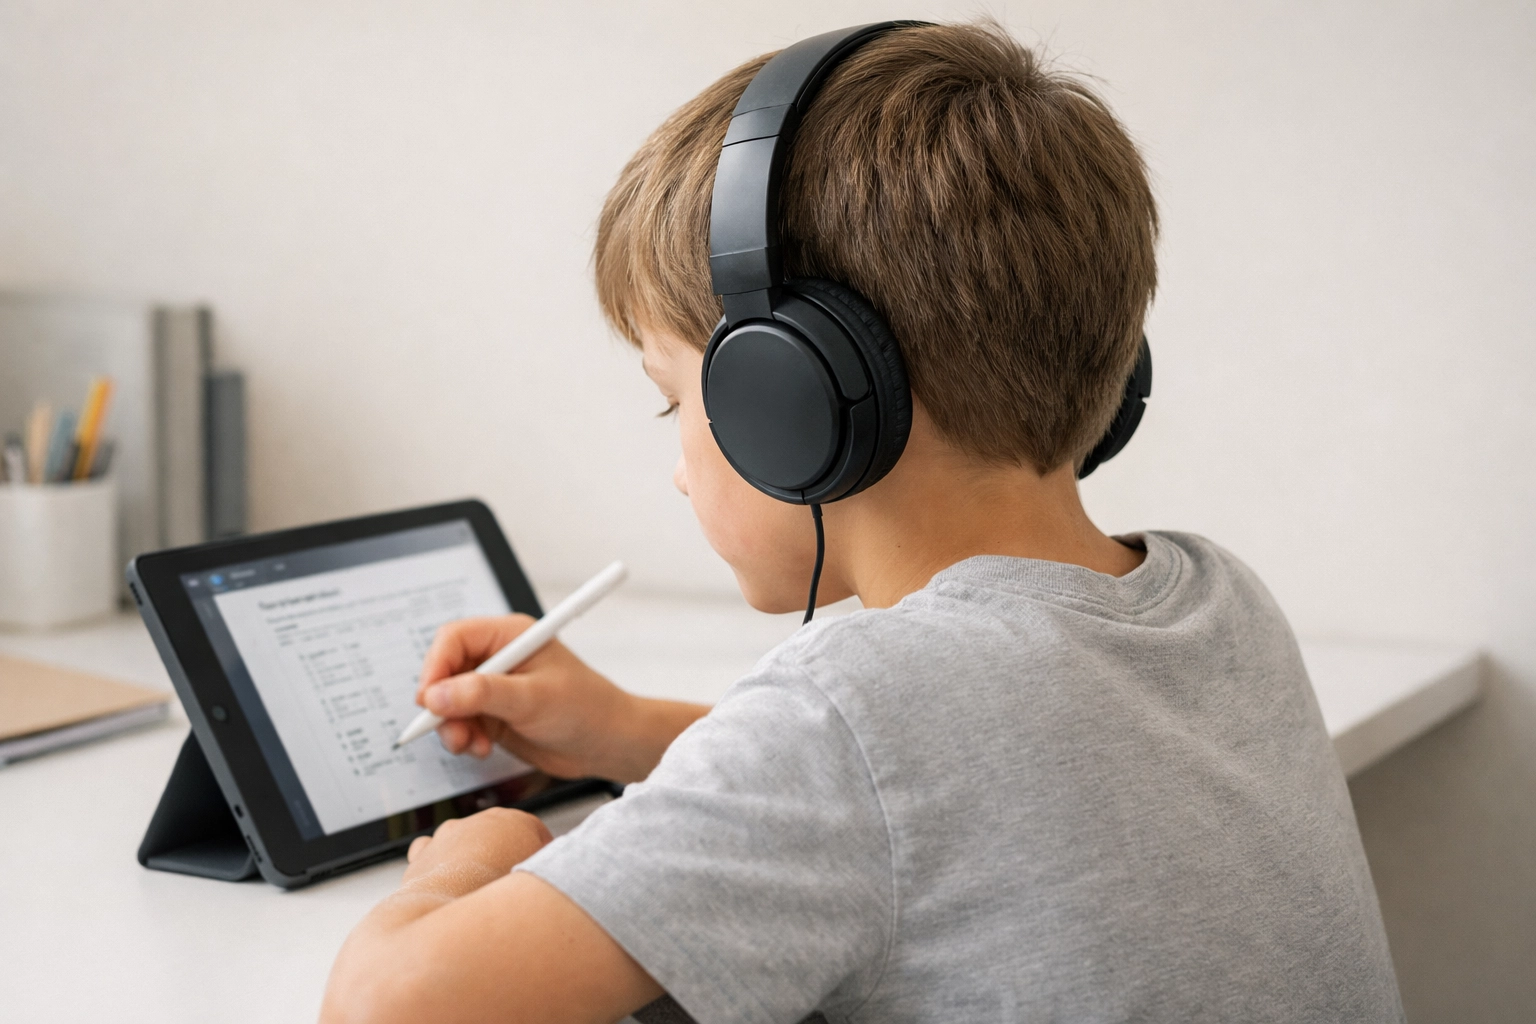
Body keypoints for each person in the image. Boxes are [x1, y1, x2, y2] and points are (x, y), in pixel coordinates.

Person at [321, 21, 1403, 1024]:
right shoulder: (1216, 598)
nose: (677, 469)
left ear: (789, 398)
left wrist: (474, 862)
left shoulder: (853, 715)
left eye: (672, 398)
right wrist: (624, 729)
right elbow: (943, 800)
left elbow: (388, 1005)